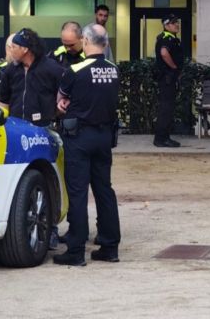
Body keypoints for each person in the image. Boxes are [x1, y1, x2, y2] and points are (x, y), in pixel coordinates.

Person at [53, 23, 121, 266]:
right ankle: (110, 246)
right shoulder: (114, 69)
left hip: (79, 137)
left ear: (85, 40)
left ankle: (76, 250)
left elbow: (62, 100)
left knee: (78, 192)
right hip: (104, 138)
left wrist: (64, 106)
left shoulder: (76, 69)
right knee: (104, 190)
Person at [0, 28, 65, 249]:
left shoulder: (52, 69)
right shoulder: (10, 71)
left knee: (48, 181)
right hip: (18, 134)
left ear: (25, 49)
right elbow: (3, 100)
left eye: (14, 47)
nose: (10, 50)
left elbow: (66, 95)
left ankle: (51, 228)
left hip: (44, 131)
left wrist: (57, 112)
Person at [153, 13, 184, 148]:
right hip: (167, 78)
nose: (177, 25)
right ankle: (161, 139)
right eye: (173, 23)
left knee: (167, 108)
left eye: (177, 22)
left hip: (169, 78)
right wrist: (174, 68)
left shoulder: (172, 38)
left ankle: (163, 137)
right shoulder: (166, 38)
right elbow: (164, 53)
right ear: (166, 25)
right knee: (166, 109)